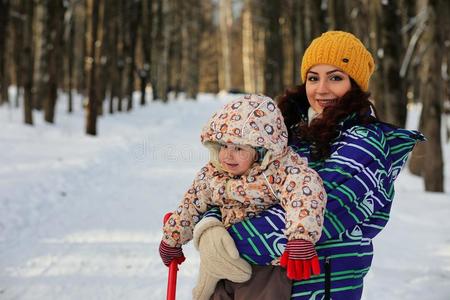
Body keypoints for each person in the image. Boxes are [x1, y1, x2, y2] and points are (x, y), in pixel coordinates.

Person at [193, 31, 425, 299]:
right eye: (313, 78)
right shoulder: (288, 134)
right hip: (257, 285)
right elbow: (229, 185)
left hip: (320, 287)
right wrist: (209, 224)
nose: (322, 89)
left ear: (356, 83)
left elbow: (319, 209)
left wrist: (225, 240)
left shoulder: (366, 144)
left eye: (335, 77)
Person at [158, 94, 327, 299]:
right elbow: (191, 204)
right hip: (223, 261)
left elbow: (305, 195)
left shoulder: (279, 172)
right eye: (223, 147)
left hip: (263, 268)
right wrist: (172, 238)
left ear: (261, 151)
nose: (228, 155)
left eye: (238, 148)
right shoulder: (212, 174)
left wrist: (301, 236)